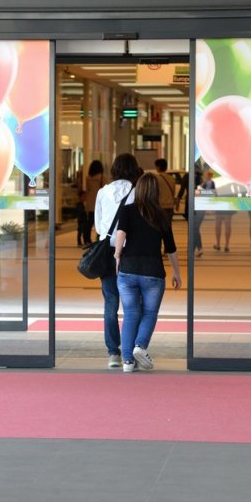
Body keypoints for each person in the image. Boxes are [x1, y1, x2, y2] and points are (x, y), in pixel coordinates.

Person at [114, 173, 182, 372]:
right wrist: (176, 273)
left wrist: (118, 256)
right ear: (156, 192)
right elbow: (171, 248)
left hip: (128, 270)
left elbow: (121, 234)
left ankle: (127, 361)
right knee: (150, 313)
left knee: (130, 314)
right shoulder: (161, 215)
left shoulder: (127, 210)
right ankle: (140, 346)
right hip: (153, 272)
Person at [94, 153, 143, 370]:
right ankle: (130, 352)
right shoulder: (137, 192)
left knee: (110, 303)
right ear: (134, 170)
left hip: (107, 252)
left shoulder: (103, 192)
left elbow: (98, 226)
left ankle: (113, 352)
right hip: (131, 252)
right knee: (134, 305)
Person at [204, 170, 233, 252]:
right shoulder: (230, 178)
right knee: (227, 224)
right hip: (228, 203)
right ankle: (227, 245)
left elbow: (212, 193)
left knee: (218, 224)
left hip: (219, 203)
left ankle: (218, 244)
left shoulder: (215, 180)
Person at [150, 158, 177, 224]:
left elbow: (154, 193)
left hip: (160, 206)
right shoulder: (172, 179)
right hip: (170, 206)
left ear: (158, 167)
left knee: (159, 226)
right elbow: (173, 192)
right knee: (168, 227)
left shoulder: (156, 178)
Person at [84, 160, 105, 243]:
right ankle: (99, 238)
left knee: (89, 222)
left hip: (90, 204)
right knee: (100, 222)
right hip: (99, 203)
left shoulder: (87, 178)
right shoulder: (102, 177)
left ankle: (86, 239)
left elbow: (86, 190)